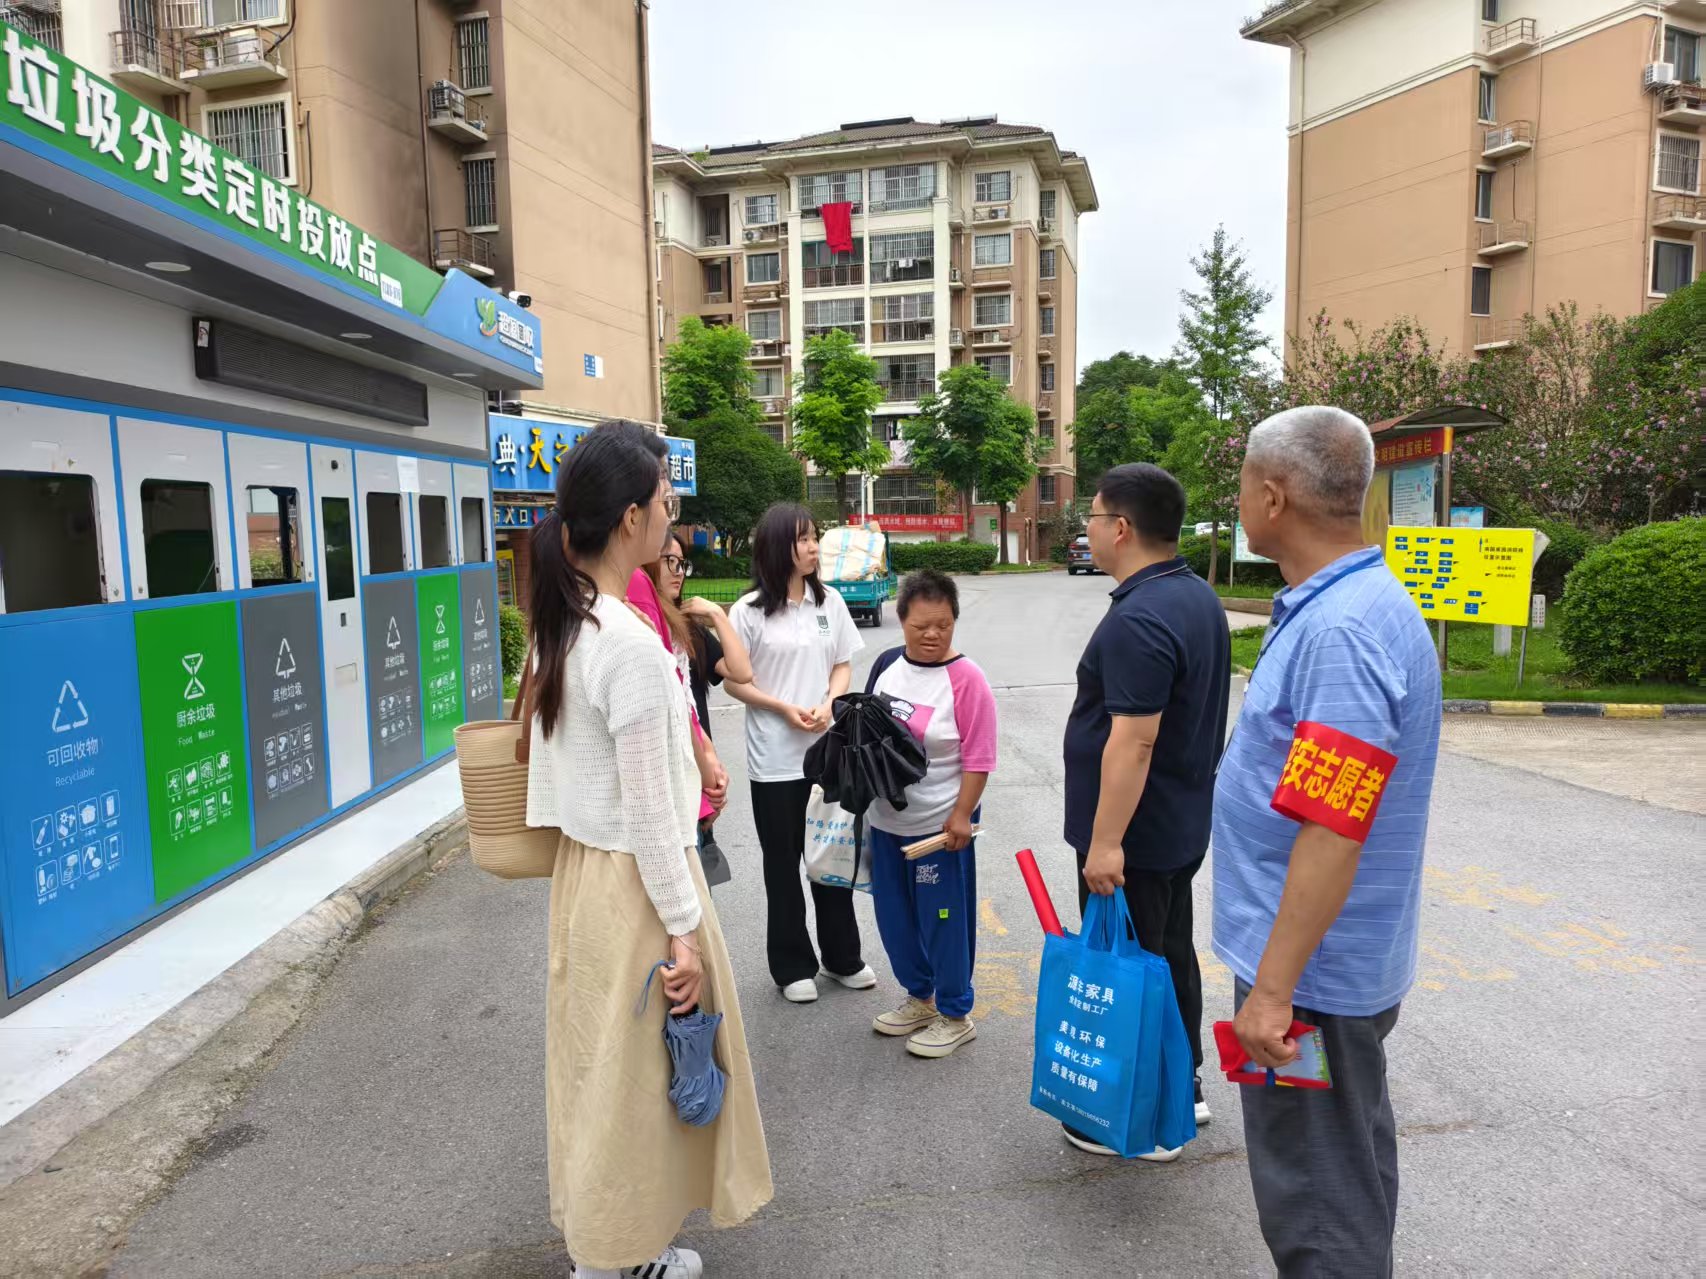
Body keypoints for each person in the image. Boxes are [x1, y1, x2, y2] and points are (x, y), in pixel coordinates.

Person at [524, 420, 771, 1279]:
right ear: (631, 516)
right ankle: (613, 1258)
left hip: (586, 879)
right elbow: (651, 814)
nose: (673, 515)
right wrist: (682, 932)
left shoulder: (566, 622)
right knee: (632, 1083)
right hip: (635, 885)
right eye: (666, 500)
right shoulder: (624, 641)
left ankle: (623, 1245)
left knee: (601, 1069)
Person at [1214, 406, 1441, 1277]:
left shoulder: (1342, 631)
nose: (1239, 500)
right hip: (1319, 963)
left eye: (1243, 485)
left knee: (1316, 1195)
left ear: (1273, 496)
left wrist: (1273, 992)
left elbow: (1332, 826)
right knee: (1343, 1165)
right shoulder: (1349, 602)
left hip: (1308, 979)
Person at [1060, 462, 1229, 1161]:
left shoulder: (1141, 616)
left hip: (1134, 835)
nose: (1088, 530)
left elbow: (1134, 740)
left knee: (1130, 965)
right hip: (1176, 824)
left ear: (1122, 527)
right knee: (1167, 954)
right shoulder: (1194, 595)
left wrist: (1105, 842)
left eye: (1094, 518)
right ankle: (1183, 1085)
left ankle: (1149, 1117)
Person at [726, 504, 874, 1003]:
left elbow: (842, 664)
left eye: (814, 538)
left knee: (831, 854)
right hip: (774, 760)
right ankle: (792, 967)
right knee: (782, 864)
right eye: (804, 539)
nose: (814, 547)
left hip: (826, 755)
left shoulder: (829, 602)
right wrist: (782, 708)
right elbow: (733, 682)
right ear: (777, 547)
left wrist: (830, 703)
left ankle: (842, 958)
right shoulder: (747, 612)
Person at [863, 569, 997, 1059]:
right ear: (901, 620)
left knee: (943, 919)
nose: (933, 635)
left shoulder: (967, 680)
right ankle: (920, 998)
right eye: (921, 626)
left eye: (943, 625)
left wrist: (963, 815)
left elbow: (980, 757)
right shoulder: (886, 666)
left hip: (939, 828)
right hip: (885, 823)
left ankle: (956, 1014)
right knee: (894, 918)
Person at [658, 532, 754, 743]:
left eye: (682, 563)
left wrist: (717, 615)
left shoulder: (690, 628)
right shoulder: (637, 624)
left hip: (700, 753)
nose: (679, 572)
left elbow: (741, 673)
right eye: (670, 561)